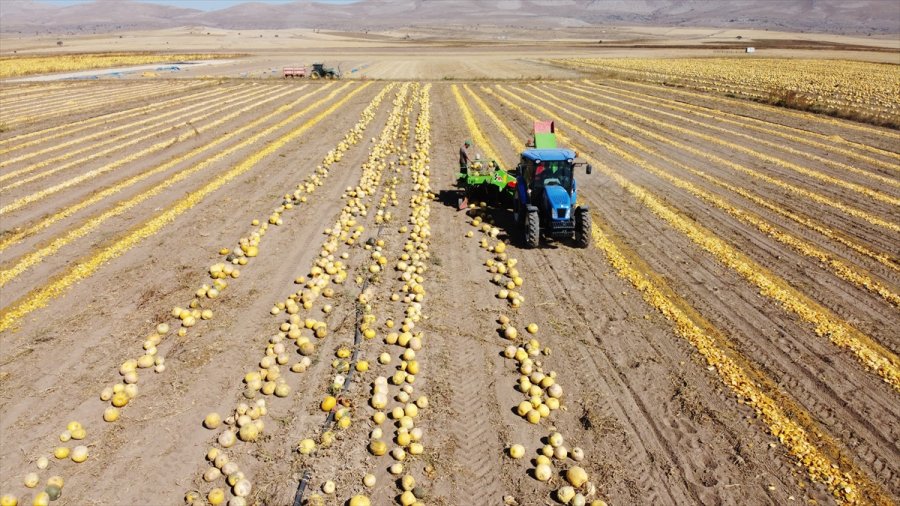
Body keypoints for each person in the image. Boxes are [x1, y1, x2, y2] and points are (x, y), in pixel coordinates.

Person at [457, 140, 472, 210]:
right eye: (468, 145)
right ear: (466, 144)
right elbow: (466, 156)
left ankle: (461, 179)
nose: (469, 147)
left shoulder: (462, 148)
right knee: (464, 171)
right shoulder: (463, 149)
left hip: (461, 161)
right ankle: (463, 180)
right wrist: (471, 161)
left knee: (462, 171)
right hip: (463, 162)